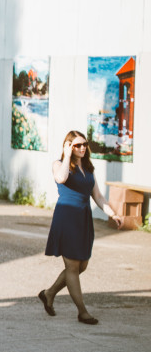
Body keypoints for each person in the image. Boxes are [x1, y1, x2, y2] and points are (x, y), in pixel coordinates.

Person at [38, 131, 122, 325]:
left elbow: (98, 196)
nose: (82, 148)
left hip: (83, 219)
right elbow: (61, 179)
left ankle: (49, 293)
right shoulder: (59, 165)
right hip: (66, 218)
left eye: (84, 144)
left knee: (81, 265)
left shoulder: (89, 169)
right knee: (72, 267)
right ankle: (82, 312)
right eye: (77, 145)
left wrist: (112, 213)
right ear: (68, 146)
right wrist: (67, 156)